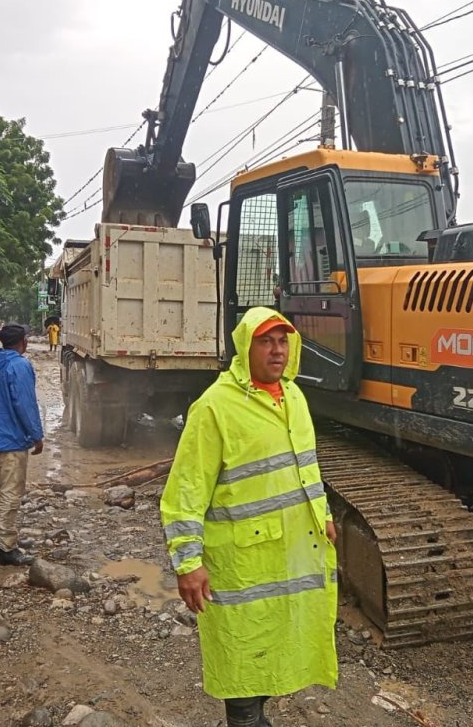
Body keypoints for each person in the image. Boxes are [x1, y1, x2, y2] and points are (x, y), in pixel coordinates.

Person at [160, 307, 338, 727]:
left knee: (273, 648)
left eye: (282, 341)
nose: (277, 351)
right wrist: (188, 563)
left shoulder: (293, 396)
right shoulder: (215, 407)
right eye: (266, 341)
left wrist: (324, 514)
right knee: (240, 662)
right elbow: (184, 492)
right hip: (240, 564)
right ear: (245, 347)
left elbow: (307, 467)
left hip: (288, 555)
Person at [0, 323, 44, 566]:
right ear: (22, 341)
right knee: (11, 493)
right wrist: (36, 434)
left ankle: (4, 537)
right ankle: (6, 548)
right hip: (13, 438)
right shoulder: (19, 365)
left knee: (3, 490)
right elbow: (25, 404)